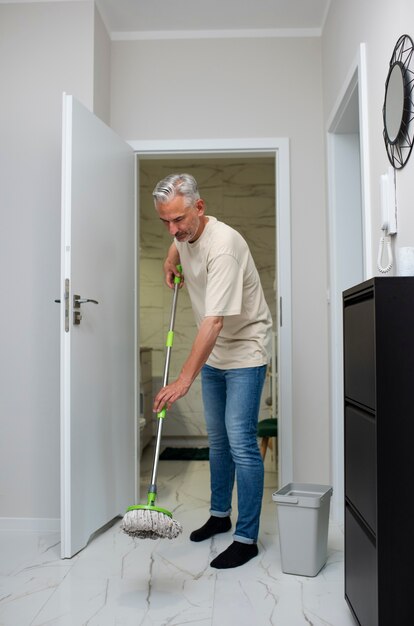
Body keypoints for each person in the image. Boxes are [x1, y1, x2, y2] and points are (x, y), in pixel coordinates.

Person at [152, 173, 272, 569]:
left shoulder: (224, 247)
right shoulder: (183, 233)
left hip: (244, 351)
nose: (173, 229)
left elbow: (214, 322)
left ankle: (246, 537)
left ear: (199, 208)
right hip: (216, 353)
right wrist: (171, 261)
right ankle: (220, 516)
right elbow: (176, 245)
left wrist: (183, 378)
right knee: (218, 442)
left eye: (178, 220)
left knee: (240, 442)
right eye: (165, 222)